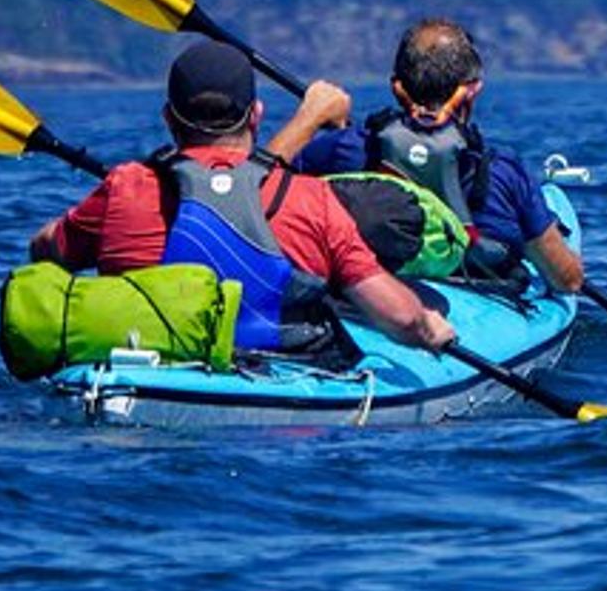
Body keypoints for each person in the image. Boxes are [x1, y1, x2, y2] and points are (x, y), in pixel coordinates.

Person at [28, 38, 456, 356]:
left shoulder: (125, 186)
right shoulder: (309, 198)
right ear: (255, 115)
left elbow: (45, 248)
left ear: (167, 119)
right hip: (274, 383)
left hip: (142, 371)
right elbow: (398, 317)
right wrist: (427, 327)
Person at [292, 18, 585, 294]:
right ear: (473, 92)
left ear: (397, 87)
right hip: (471, 297)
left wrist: (310, 117)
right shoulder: (503, 173)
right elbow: (567, 280)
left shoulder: (338, 150)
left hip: (363, 297)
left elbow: (256, 184)